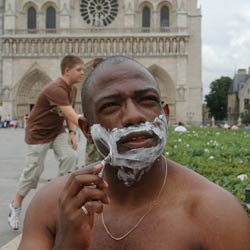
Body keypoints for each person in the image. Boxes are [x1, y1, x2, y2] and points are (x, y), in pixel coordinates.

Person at [18, 56, 250, 250]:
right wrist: (67, 244)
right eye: (111, 106)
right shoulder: (50, 206)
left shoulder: (217, 213)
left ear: (165, 115)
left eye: (147, 100)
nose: (133, 116)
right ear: (87, 130)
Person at [8, 55, 84, 230]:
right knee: (33, 172)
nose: (82, 73)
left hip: (57, 131)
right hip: (38, 134)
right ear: (67, 70)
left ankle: (60, 197)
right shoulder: (55, 88)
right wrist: (91, 125)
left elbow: (68, 114)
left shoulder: (71, 90)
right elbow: (72, 115)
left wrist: (72, 132)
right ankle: (16, 205)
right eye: (79, 69)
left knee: (70, 156)